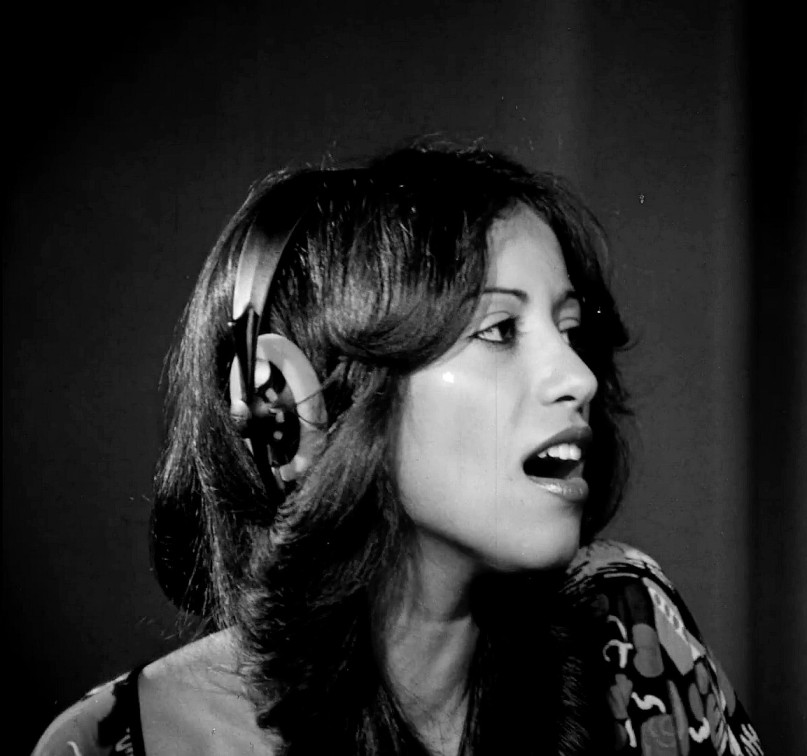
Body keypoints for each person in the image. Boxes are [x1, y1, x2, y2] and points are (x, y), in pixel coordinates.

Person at [33, 143, 764, 756]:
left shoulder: (628, 630)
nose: (578, 378)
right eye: (498, 330)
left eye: (568, 329)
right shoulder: (110, 743)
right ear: (290, 404)